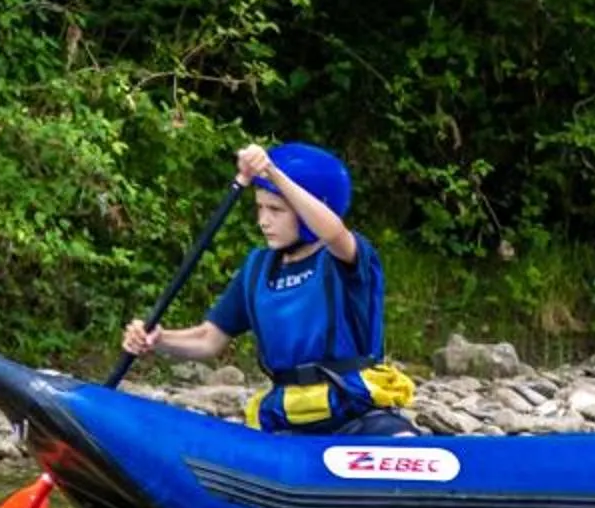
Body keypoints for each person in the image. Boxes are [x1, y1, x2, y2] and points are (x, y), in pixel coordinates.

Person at [120, 142, 418, 436]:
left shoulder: (347, 258)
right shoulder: (258, 269)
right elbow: (209, 339)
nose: (263, 221)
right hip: (288, 416)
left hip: (353, 408)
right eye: (260, 208)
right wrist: (158, 339)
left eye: (276, 209)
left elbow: (333, 231)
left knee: (400, 439)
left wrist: (273, 173)